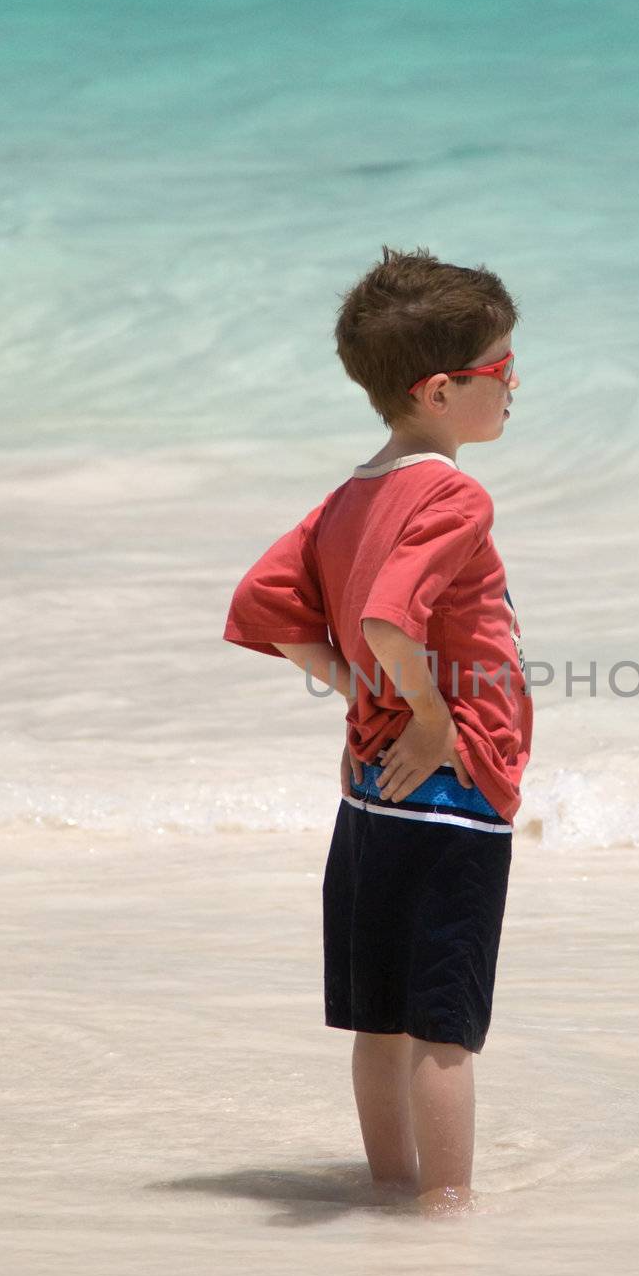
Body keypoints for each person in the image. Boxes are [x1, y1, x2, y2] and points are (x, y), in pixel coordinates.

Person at [223, 245, 533, 1215]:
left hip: (369, 786)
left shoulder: (350, 495)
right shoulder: (451, 492)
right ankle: (444, 1213)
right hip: (451, 785)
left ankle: (389, 1190)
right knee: (445, 1024)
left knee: (382, 1019)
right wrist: (433, 720)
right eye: (501, 370)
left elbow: (264, 605)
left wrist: (361, 697)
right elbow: (390, 619)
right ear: (439, 391)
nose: (514, 385)